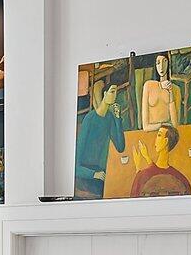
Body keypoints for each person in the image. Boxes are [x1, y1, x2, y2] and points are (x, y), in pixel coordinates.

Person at [74, 70, 127, 199]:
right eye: (112, 92)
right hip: (86, 175)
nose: (114, 96)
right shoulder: (90, 119)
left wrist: (118, 119)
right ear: (104, 94)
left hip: (101, 171)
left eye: (116, 92)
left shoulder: (109, 118)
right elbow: (75, 165)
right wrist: (94, 174)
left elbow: (120, 147)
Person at [140, 50, 184, 130]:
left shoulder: (176, 89)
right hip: (152, 132)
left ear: (169, 63)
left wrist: (170, 93)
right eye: (158, 63)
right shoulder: (148, 86)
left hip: (167, 133)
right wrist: (162, 125)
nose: (161, 66)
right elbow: (145, 127)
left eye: (165, 61)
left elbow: (175, 125)